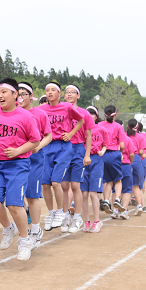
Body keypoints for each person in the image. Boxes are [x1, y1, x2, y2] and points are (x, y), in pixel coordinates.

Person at [0, 78, 40, 260]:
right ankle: (9, 228)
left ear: (15, 95)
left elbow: (35, 141)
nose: (0, 95)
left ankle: (25, 240)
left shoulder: (25, 116)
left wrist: (17, 150)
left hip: (17, 165)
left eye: (4, 92)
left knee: (15, 205)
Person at [39, 81, 84, 231]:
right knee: (45, 183)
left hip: (63, 146)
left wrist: (71, 133)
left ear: (59, 94)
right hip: (47, 146)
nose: (50, 92)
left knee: (56, 182)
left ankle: (60, 212)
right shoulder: (41, 109)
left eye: (53, 90)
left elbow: (81, 120)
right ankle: (51, 213)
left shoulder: (67, 107)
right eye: (47, 90)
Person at [17, 81, 52, 248]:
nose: (20, 97)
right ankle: (23, 228)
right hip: (15, 159)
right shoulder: (10, 113)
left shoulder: (39, 114)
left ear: (31, 97)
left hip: (34, 159)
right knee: (15, 197)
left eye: (24, 94)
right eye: (17, 94)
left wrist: (38, 146)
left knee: (32, 195)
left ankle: (36, 230)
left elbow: (48, 135)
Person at [60, 84, 93, 233]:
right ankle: (65, 214)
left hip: (78, 149)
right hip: (63, 149)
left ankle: (77, 216)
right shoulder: (61, 111)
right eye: (67, 92)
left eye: (73, 92)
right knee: (64, 185)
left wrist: (87, 154)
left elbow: (89, 135)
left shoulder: (84, 113)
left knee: (75, 186)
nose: (69, 94)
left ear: (78, 96)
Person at [81, 106, 108, 232]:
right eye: (88, 114)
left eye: (92, 114)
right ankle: (86, 221)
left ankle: (96, 220)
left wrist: (102, 151)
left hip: (96, 160)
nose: (90, 116)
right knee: (84, 194)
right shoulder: (81, 129)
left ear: (96, 116)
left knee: (93, 193)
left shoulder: (102, 129)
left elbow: (105, 145)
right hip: (84, 160)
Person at [99, 105, 126, 214]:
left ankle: (106, 200)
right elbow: (122, 145)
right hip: (114, 153)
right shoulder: (118, 127)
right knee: (118, 179)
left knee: (107, 180)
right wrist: (120, 152)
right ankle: (117, 199)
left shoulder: (100, 125)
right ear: (115, 114)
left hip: (102, 154)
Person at [111, 119, 135, 220]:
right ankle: (124, 211)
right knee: (126, 189)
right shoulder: (127, 139)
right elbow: (132, 154)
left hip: (115, 164)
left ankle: (115, 210)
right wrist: (130, 162)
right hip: (125, 165)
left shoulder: (112, 138)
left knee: (114, 189)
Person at [126, 118, 146, 215]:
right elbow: (142, 152)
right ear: (137, 127)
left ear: (127, 127)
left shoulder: (125, 136)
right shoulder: (141, 137)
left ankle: (124, 209)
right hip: (137, 159)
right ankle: (139, 206)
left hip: (127, 159)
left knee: (126, 186)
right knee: (136, 186)